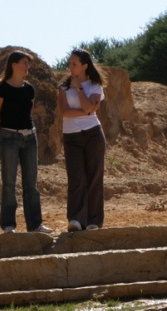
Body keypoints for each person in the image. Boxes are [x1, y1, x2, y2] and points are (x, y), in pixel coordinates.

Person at [0, 50, 51, 234]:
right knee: (9, 183)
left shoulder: (29, 89)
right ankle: (8, 225)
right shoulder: (1, 89)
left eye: (28, 63)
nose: (27, 66)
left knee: (31, 184)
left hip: (30, 137)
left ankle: (35, 225)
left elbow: (27, 113)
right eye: (24, 62)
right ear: (13, 64)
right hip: (9, 138)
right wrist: (6, 135)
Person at [58, 48, 106, 231]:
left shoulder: (95, 85)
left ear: (85, 66)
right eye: (69, 63)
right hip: (71, 136)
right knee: (76, 178)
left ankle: (94, 221)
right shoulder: (62, 87)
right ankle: (76, 219)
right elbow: (65, 112)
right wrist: (85, 111)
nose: (70, 67)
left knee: (94, 177)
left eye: (74, 64)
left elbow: (89, 106)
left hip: (93, 134)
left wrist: (78, 88)